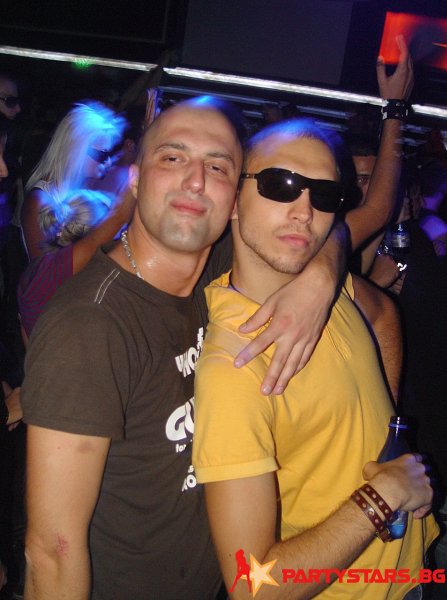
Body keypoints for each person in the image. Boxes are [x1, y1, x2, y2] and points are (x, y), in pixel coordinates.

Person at [21, 95, 345, 600]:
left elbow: (334, 224)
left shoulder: (214, 264)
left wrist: (318, 282)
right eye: (172, 158)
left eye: (217, 167)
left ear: (235, 200)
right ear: (134, 180)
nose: (195, 181)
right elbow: (51, 553)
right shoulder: (88, 328)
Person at [193, 117, 437, 600]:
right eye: (279, 185)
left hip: (411, 571)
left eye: (324, 194)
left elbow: (384, 312)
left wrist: (390, 433)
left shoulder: (326, 284)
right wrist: (385, 494)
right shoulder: (233, 370)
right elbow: (252, 585)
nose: (304, 211)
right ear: (234, 200)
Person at [18, 187, 135, 340]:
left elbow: (26, 333)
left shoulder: (42, 267)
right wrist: (136, 178)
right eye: (114, 238)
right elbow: (119, 217)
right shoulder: (58, 270)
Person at [21, 101, 125, 260]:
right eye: (103, 154)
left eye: (110, 154)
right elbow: (43, 268)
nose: (109, 162)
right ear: (77, 149)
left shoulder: (86, 190)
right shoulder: (41, 199)